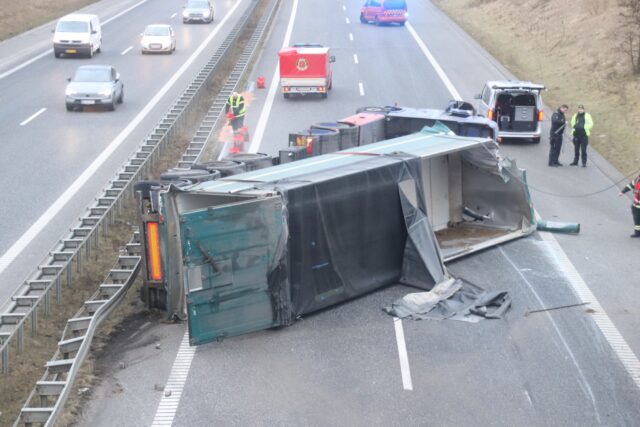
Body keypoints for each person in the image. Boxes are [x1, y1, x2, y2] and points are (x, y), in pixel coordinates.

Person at [619, 172, 640, 238]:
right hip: (636, 204)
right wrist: (623, 191)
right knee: (637, 219)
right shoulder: (638, 179)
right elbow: (631, 185)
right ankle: (637, 233)